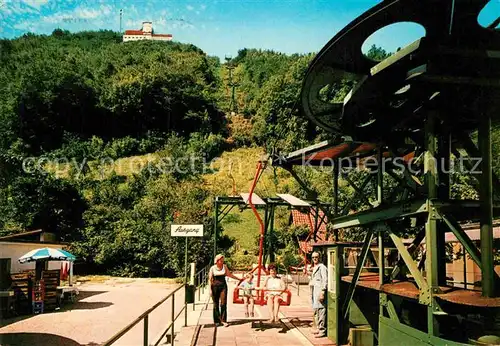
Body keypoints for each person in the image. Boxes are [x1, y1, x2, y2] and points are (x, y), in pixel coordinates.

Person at [209, 254, 241, 327]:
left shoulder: (224, 267)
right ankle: (217, 321)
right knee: (215, 304)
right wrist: (210, 290)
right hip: (214, 286)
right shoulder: (212, 268)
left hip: (223, 286)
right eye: (221, 260)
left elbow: (230, 275)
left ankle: (223, 320)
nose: (222, 261)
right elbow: (210, 279)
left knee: (223, 303)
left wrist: (239, 279)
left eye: (223, 260)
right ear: (217, 261)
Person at [311, 251, 328, 338]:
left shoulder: (322, 267)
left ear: (319, 257)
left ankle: (322, 330)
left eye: (316, 257)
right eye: (313, 257)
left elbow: (325, 280)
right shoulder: (315, 267)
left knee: (321, 310)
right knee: (316, 310)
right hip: (314, 291)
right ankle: (318, 327)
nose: (314, 259)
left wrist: (322, 291)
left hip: (319, 291)